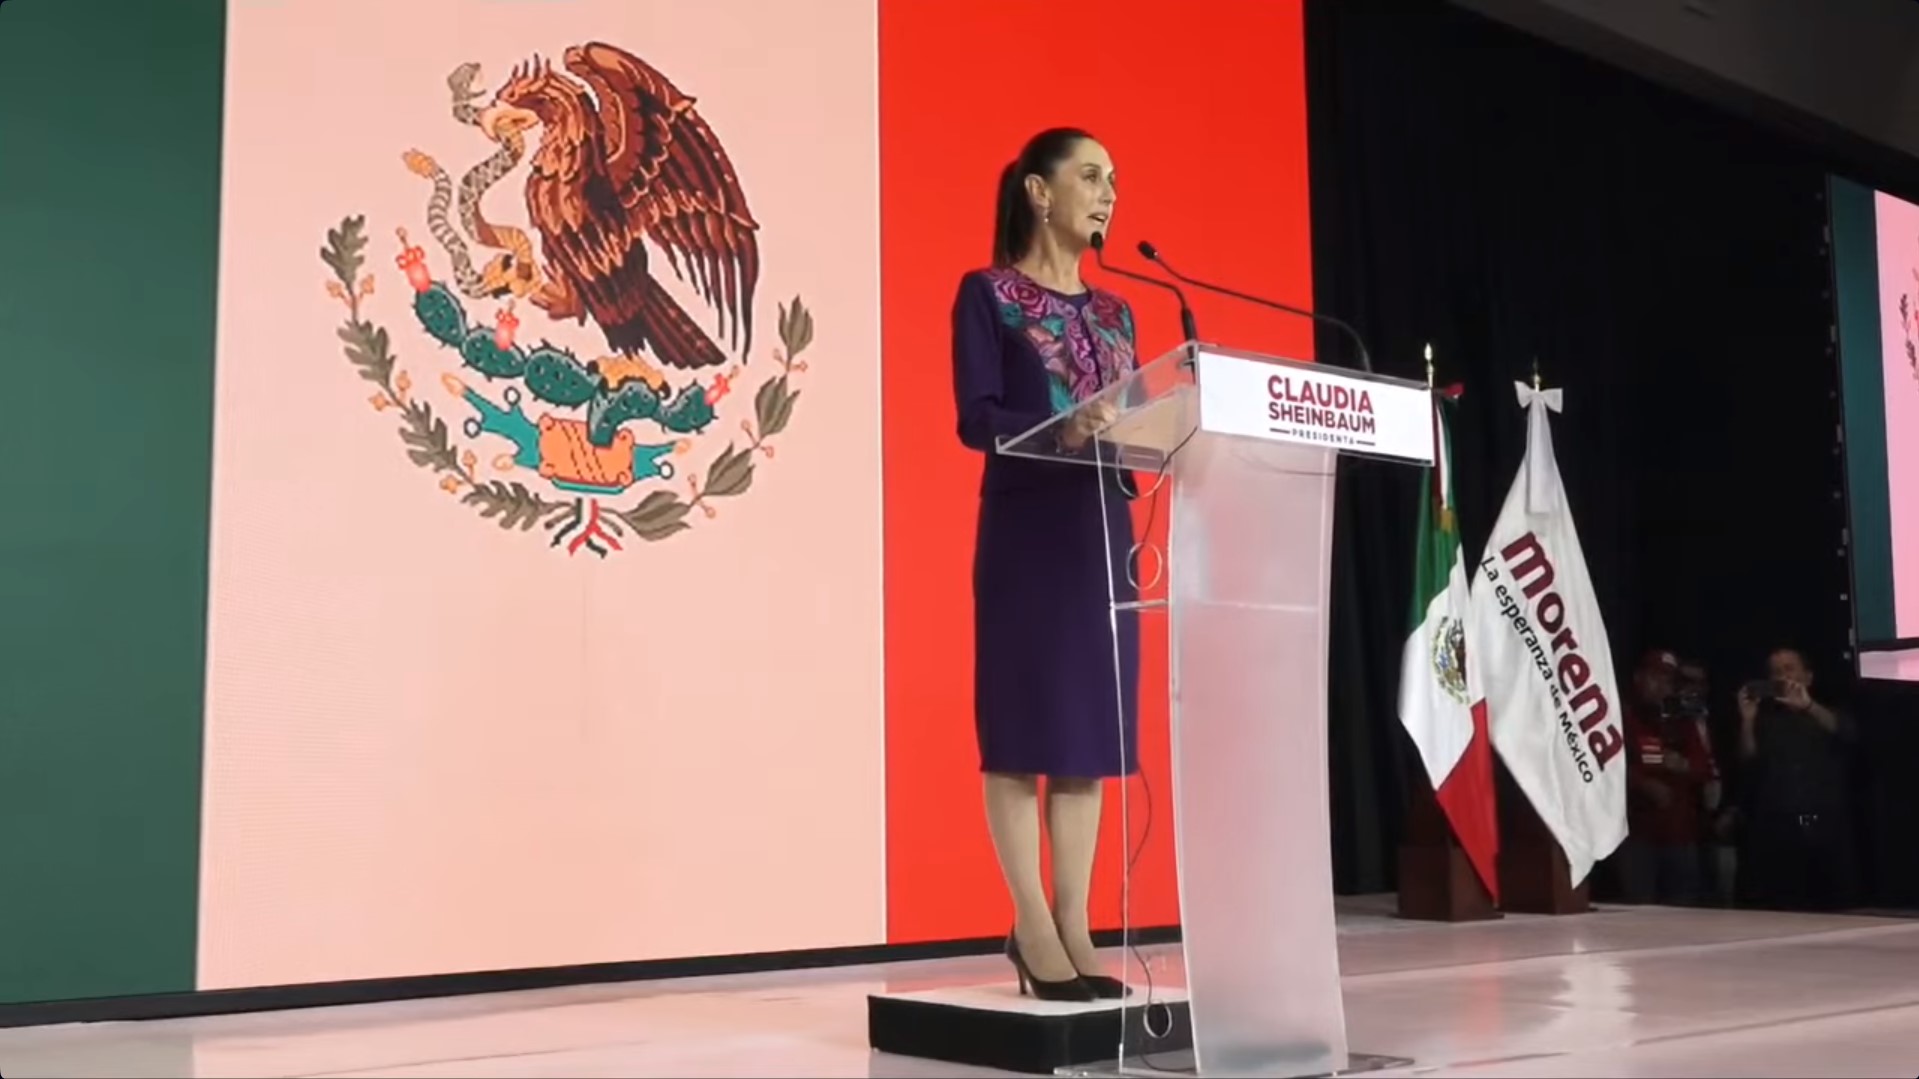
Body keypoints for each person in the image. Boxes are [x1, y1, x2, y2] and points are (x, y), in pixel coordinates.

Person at [951, 128, 1137, 1002]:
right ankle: (1030, 923)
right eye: (1089, 176)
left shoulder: (1116, 313)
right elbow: (975, 416)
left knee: (1083, 739)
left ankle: (1076, 922)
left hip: (1102, 530)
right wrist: (1061, 428)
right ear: (1037, 190)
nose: (1106, 193)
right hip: (1028, 529)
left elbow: (1137, 413)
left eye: (1112, 180)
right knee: (1024, 729)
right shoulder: (987, 295)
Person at [1736, 647, 1856, 911]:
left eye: (1789, 669)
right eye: (1775, 671)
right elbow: (1748, 762)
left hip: (1824, 825)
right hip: (1779, 828)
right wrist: (1747, 720)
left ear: (1808, 677)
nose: (1783, 676)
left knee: (1832, 906)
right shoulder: (1765, 721)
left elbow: (1847, 734)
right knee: (1784, 905)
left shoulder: (1826, 713)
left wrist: (1808, 706)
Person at [1617, 650, 1714, 905]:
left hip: (1680, 836)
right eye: (1655, 677)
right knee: (1639, 912)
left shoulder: (1683, 721)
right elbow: (1609, 767)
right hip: (1637, 835)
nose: (1661, 685)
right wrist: (1643, 783)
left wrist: (1684, 765)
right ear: (1639, 678)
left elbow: (1704, 769)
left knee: (1683, 911)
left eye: (1668, 680)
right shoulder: (1622, 717)